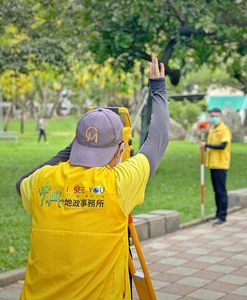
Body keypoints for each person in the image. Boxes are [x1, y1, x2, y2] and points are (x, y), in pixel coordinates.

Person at [16, 57, 169, 299]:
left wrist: (75, 145)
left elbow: (20, 184)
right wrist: (158, 87)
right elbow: (158, 139)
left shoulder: (42, 180)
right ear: (120, 150)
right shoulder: (118, 184)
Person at [200, 107, 232, 226]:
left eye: (216, 116)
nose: (214, 118)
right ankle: (218, 213)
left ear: (221, 117)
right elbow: (210, 146)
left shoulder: (224, 130)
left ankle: (222, 216)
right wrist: (205, 147)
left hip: (221, 164)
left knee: (221, 191)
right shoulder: (212, 130)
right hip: (212, 164)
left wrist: (207, 145)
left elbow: (222, 146)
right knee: (216, 191)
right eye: (212, 116)